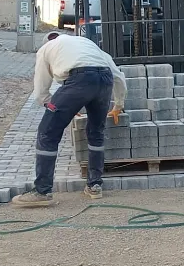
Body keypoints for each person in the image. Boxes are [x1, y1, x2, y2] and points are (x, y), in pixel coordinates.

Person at [11, 31, 127, 207]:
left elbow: (41, 89)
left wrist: (57, 105)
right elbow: (118, 75)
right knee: (96, 133)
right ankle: (94, 185)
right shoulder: (86, 43)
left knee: (47, 132)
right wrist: (118, 105)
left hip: (79, 79)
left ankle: (42, 191)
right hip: (104, 79)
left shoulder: (45, 49)